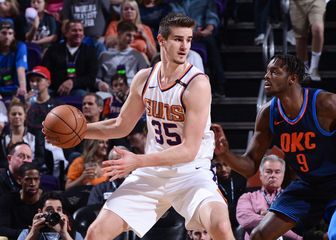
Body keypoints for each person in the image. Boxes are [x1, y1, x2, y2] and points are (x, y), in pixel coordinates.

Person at [44, 13, 235, 240]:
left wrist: (137, 161)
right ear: (161, 40)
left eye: (189, 40)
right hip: (152, 173)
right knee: (96, 233)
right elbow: (121, 124)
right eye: (178, 39)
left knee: (221, 227)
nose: (185, 46)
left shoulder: (197, 84)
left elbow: (189, 149)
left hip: (191, 173)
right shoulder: (145, 79)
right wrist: (81, 131)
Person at [212, 54, 336, 240]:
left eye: (274, 72)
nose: (266, 76)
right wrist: (225, 154)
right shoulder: (267, 114)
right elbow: (251, 166)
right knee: (259, 235)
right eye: (266, 72)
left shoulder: (326, 104)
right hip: (308, 184)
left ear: (292, 78)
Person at [236, 154, 302, 240]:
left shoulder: (292, 199)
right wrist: (280, 221)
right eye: (268, 171)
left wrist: (265, 216)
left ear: (283, 175)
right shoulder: (248, 197)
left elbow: (300, 227)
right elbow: (245, 220)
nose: (273, 175)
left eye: (277, 172)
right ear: (261, 175)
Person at [26, 66, 67, 177]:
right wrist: (25, 107)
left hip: (53, 144)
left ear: (48, 82)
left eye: (38, 80)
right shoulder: (27, 105)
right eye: (32, 81)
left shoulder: (58, 105)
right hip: (31, 144)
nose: (34, 83)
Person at [41, 20, 98, 97]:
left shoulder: (90, 51)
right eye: (74, 30)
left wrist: (72, 82)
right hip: (54, 89)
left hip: (78, 90)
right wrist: (61, 84)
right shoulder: (53, 50)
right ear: (66, 33)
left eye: (80, 30)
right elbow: (44, 72)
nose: (78, 33)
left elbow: (91, 78)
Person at [96, 20, 149, 89]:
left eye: (133, 36)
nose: (131, 39)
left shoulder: (138, 56)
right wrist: (100, 83)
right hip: (110, 92)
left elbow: (145, 79)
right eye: (128, 35)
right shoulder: (104, 55)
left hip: (131, 92)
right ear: (119, 34)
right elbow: (97, 78)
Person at [0, 162, 43, 239]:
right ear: (19, 180)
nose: (33, 183)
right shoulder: (7, 200)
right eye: (28, 179)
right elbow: (1, 228)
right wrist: (27, 232)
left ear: (40, 180)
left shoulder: (48, 200)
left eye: (36, 179)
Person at [17, 191, 83, 240]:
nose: (55, 213)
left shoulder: (74, 235)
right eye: (49, 210)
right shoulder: (26, 233)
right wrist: (33, 233)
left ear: (63, 212)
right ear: (40, 212)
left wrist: (64, 234)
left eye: (59, 209)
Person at [289, 0, 326, 81]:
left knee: (318, 29)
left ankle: (314, 67)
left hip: (317, 1)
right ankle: (304, 69)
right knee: (300, 37)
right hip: (296, 3)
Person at [213, 156, 246, 229]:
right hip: (220, 222)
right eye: (218, 166)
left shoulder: (240, 180)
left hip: (238, 220)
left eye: (226, 164)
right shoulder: (211, 183)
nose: (223, 169)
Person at [0, 18, 27, 98]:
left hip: (15, 90)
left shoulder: (20, 47)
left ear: (14, 35)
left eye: (10, 33)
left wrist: (23, 88)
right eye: (3, 33)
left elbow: (20, 68)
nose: (7, 36)